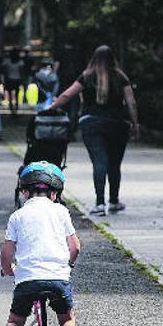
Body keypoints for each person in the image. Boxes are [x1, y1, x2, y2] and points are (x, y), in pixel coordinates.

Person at [0, 162, 88, 326]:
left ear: (24, 192)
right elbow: (75, 247)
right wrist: (68, 266)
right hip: (57, 278)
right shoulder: (61, 211)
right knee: (66, 319)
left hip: (27, 279)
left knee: (15, 320)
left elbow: (6, 253)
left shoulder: (17, 216)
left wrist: (9, 270)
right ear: (55, 193)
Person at [49, 45, 139, 216]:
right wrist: (135, 124)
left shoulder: (87, 76)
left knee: (99, 162)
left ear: (94, 58)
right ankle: (113, 201)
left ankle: (99, 204)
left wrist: (53, 107)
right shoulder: (120, 76)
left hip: (92, 124)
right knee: (114, 164)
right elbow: (131, 102)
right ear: (113, 59)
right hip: (118, 124)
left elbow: (68, 95)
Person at [2, 49, 24, 115]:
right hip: (17, 80)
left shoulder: (7, 61)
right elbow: (22, 72)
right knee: (16, 96)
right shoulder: (20, 62)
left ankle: (11, 110)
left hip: (9, 80)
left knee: (10, 96)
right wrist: (22, 80)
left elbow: (4, 70)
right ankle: (16, 110)